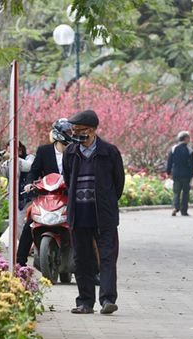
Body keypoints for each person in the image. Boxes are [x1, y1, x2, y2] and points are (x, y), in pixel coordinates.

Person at [63, 110, 125, 315]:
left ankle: (107, 300)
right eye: (73, 130)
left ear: (91, 131)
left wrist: (105, 201)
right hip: (79, 215)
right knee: (82, 259)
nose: (74, 133)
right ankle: (85, 302)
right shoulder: (70, 153)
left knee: (107, 257)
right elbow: (67, 178)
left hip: (103, 216)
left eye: (78, 130)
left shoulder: (110, 152)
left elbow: (119, 183)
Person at [16, 119, 73, 266]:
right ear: (58, 134)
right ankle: (19, 263)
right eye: (67, 132)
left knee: (83, 227)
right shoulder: (44, 151)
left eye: (71, 132)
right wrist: (29, 183)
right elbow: (34, 171)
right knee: (31, 222)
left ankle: (93, 269)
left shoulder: (75, 151)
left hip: (69, 196)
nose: (70, 135)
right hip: (47, 196)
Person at [0, 142, 35, 236]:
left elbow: (29, 167)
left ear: (20, 150)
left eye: (11, 151)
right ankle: (24, 246)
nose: (9, 153)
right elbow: (1, 173)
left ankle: (30, 245)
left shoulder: (29, 158)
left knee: (32, 222)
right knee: (17, 225)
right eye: (8, 151)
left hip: (29, 197)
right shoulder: (9, 161)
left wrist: (13, 158)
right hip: (15, 197)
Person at [166, 131, 193, 216]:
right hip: (186, 175)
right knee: (185, 193)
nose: (189, 139)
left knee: (176, 192)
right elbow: (191, 164)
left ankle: (175, 207)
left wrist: (168, 171)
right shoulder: (189, 150)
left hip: (176, 174)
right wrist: (192, 175)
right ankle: (184, 211)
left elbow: (170, 161)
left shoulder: (174, 148)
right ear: (185, 138)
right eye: (188, 138)